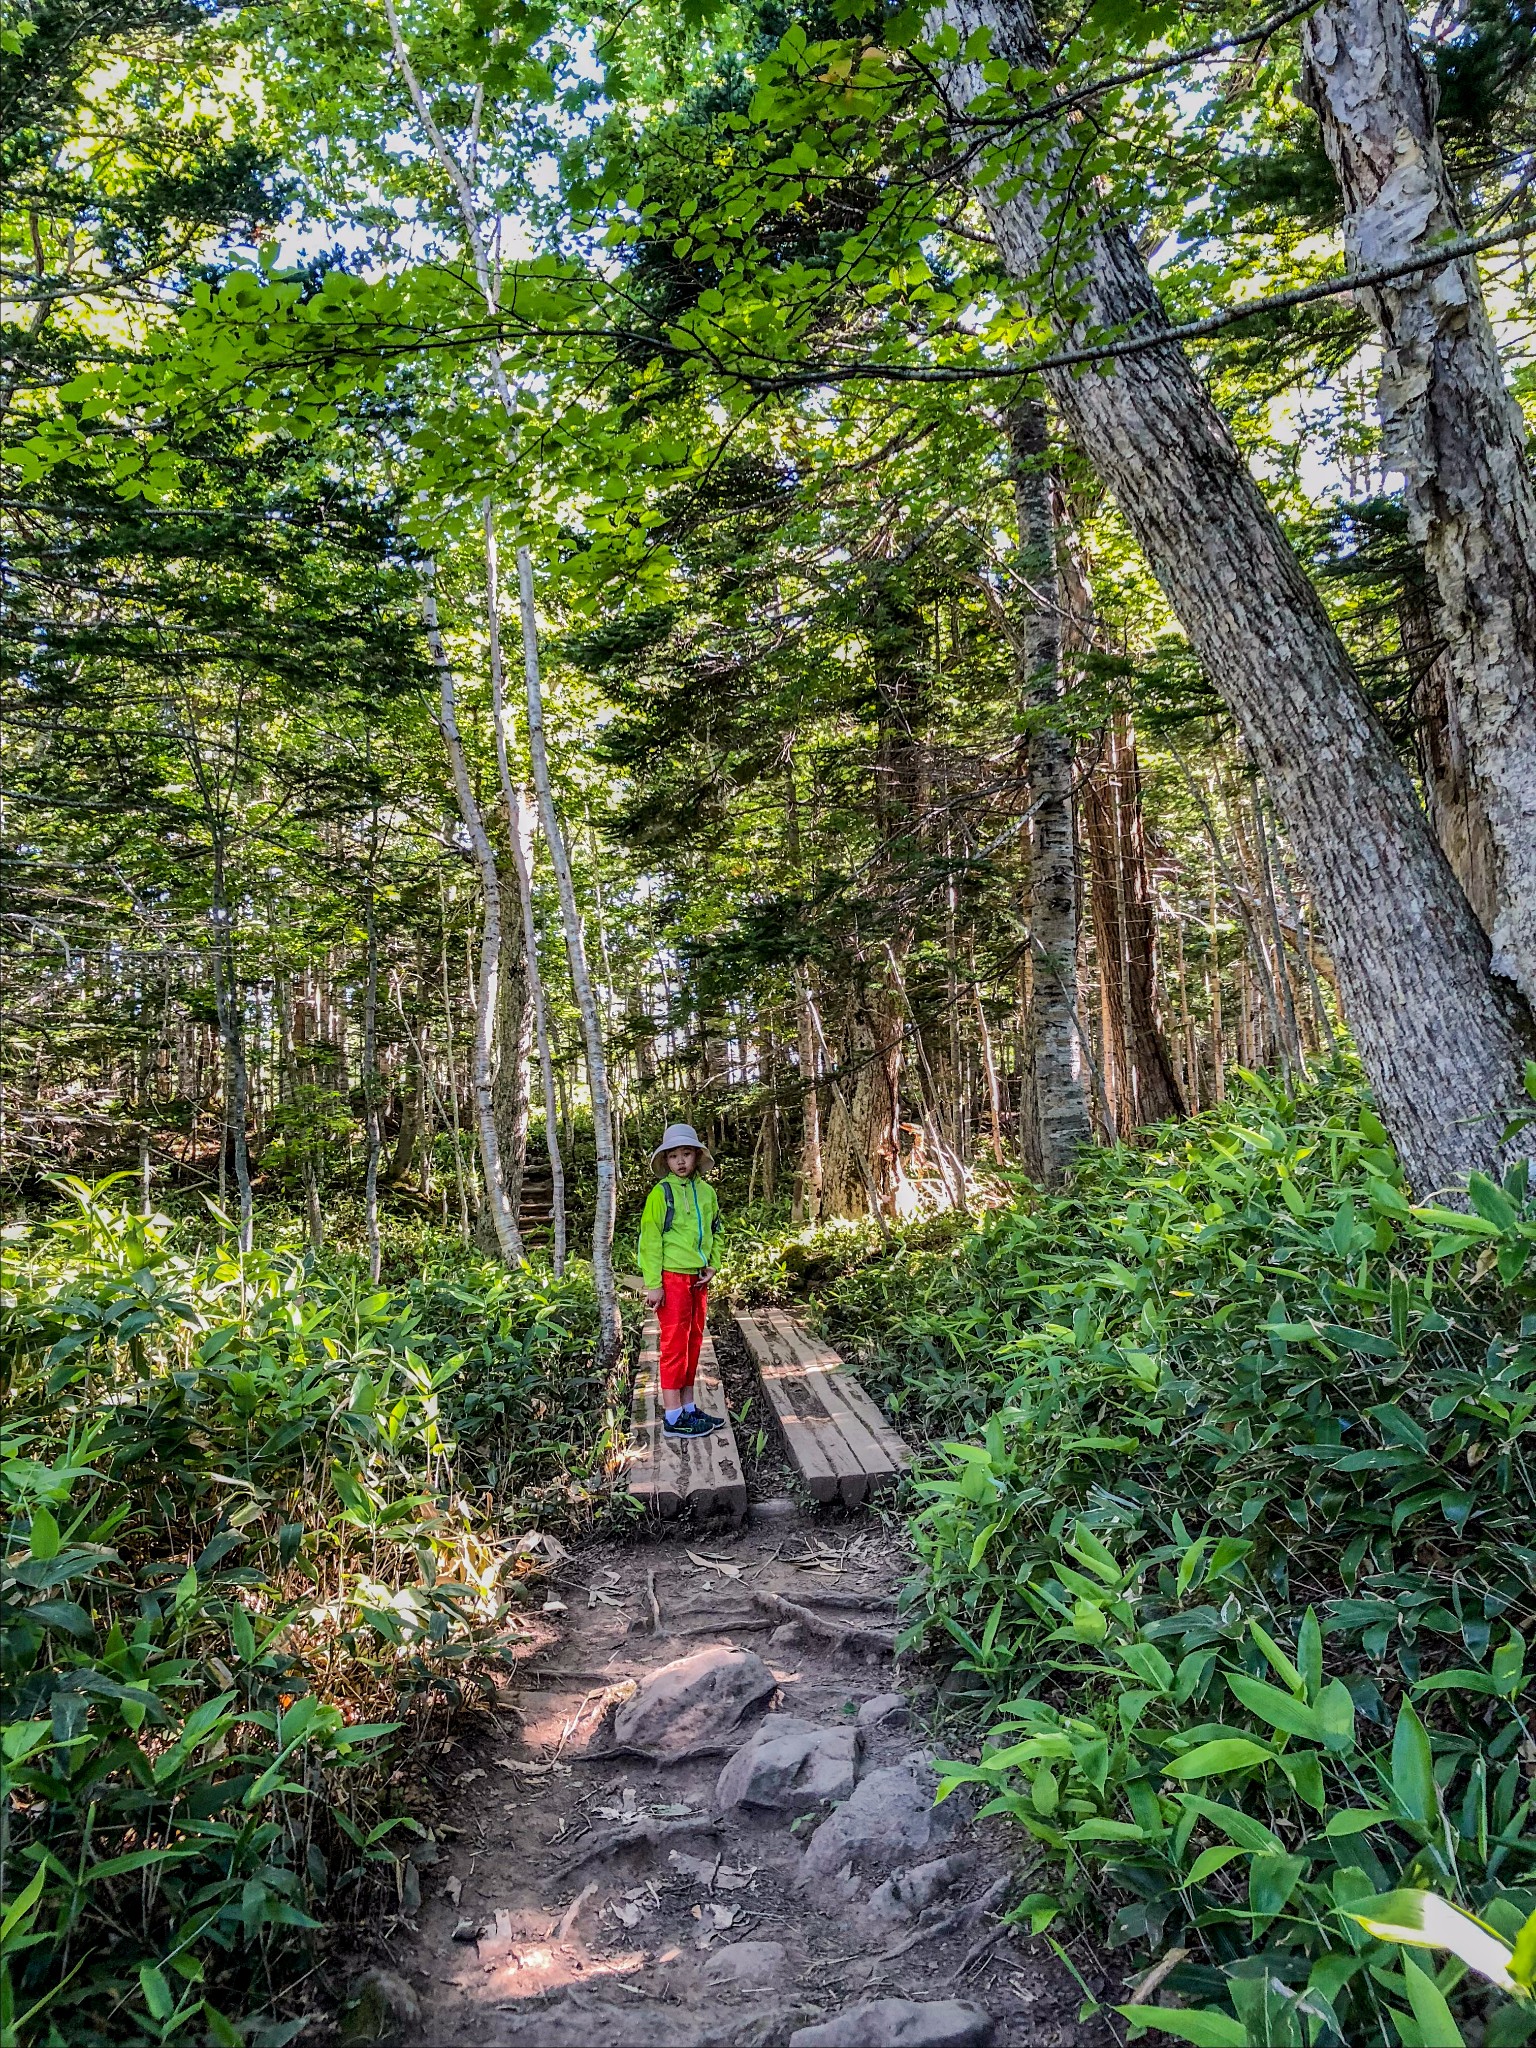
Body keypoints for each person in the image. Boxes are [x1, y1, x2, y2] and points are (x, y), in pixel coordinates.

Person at [637, 1122, 725, 1439]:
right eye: (673, 1156)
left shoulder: (707, 1192)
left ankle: (689, 1408)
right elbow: (650, 1240)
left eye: (686, 1154)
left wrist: (712, 1265)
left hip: (698, 1279)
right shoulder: (662, 1194)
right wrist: (653, 1284)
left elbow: (717, 1231)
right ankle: (673, 1416)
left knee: (693, 1342)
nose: (681, 1161)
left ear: (696, 1155)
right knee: (674, 1345)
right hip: (671, 1277)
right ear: (666, 1161)